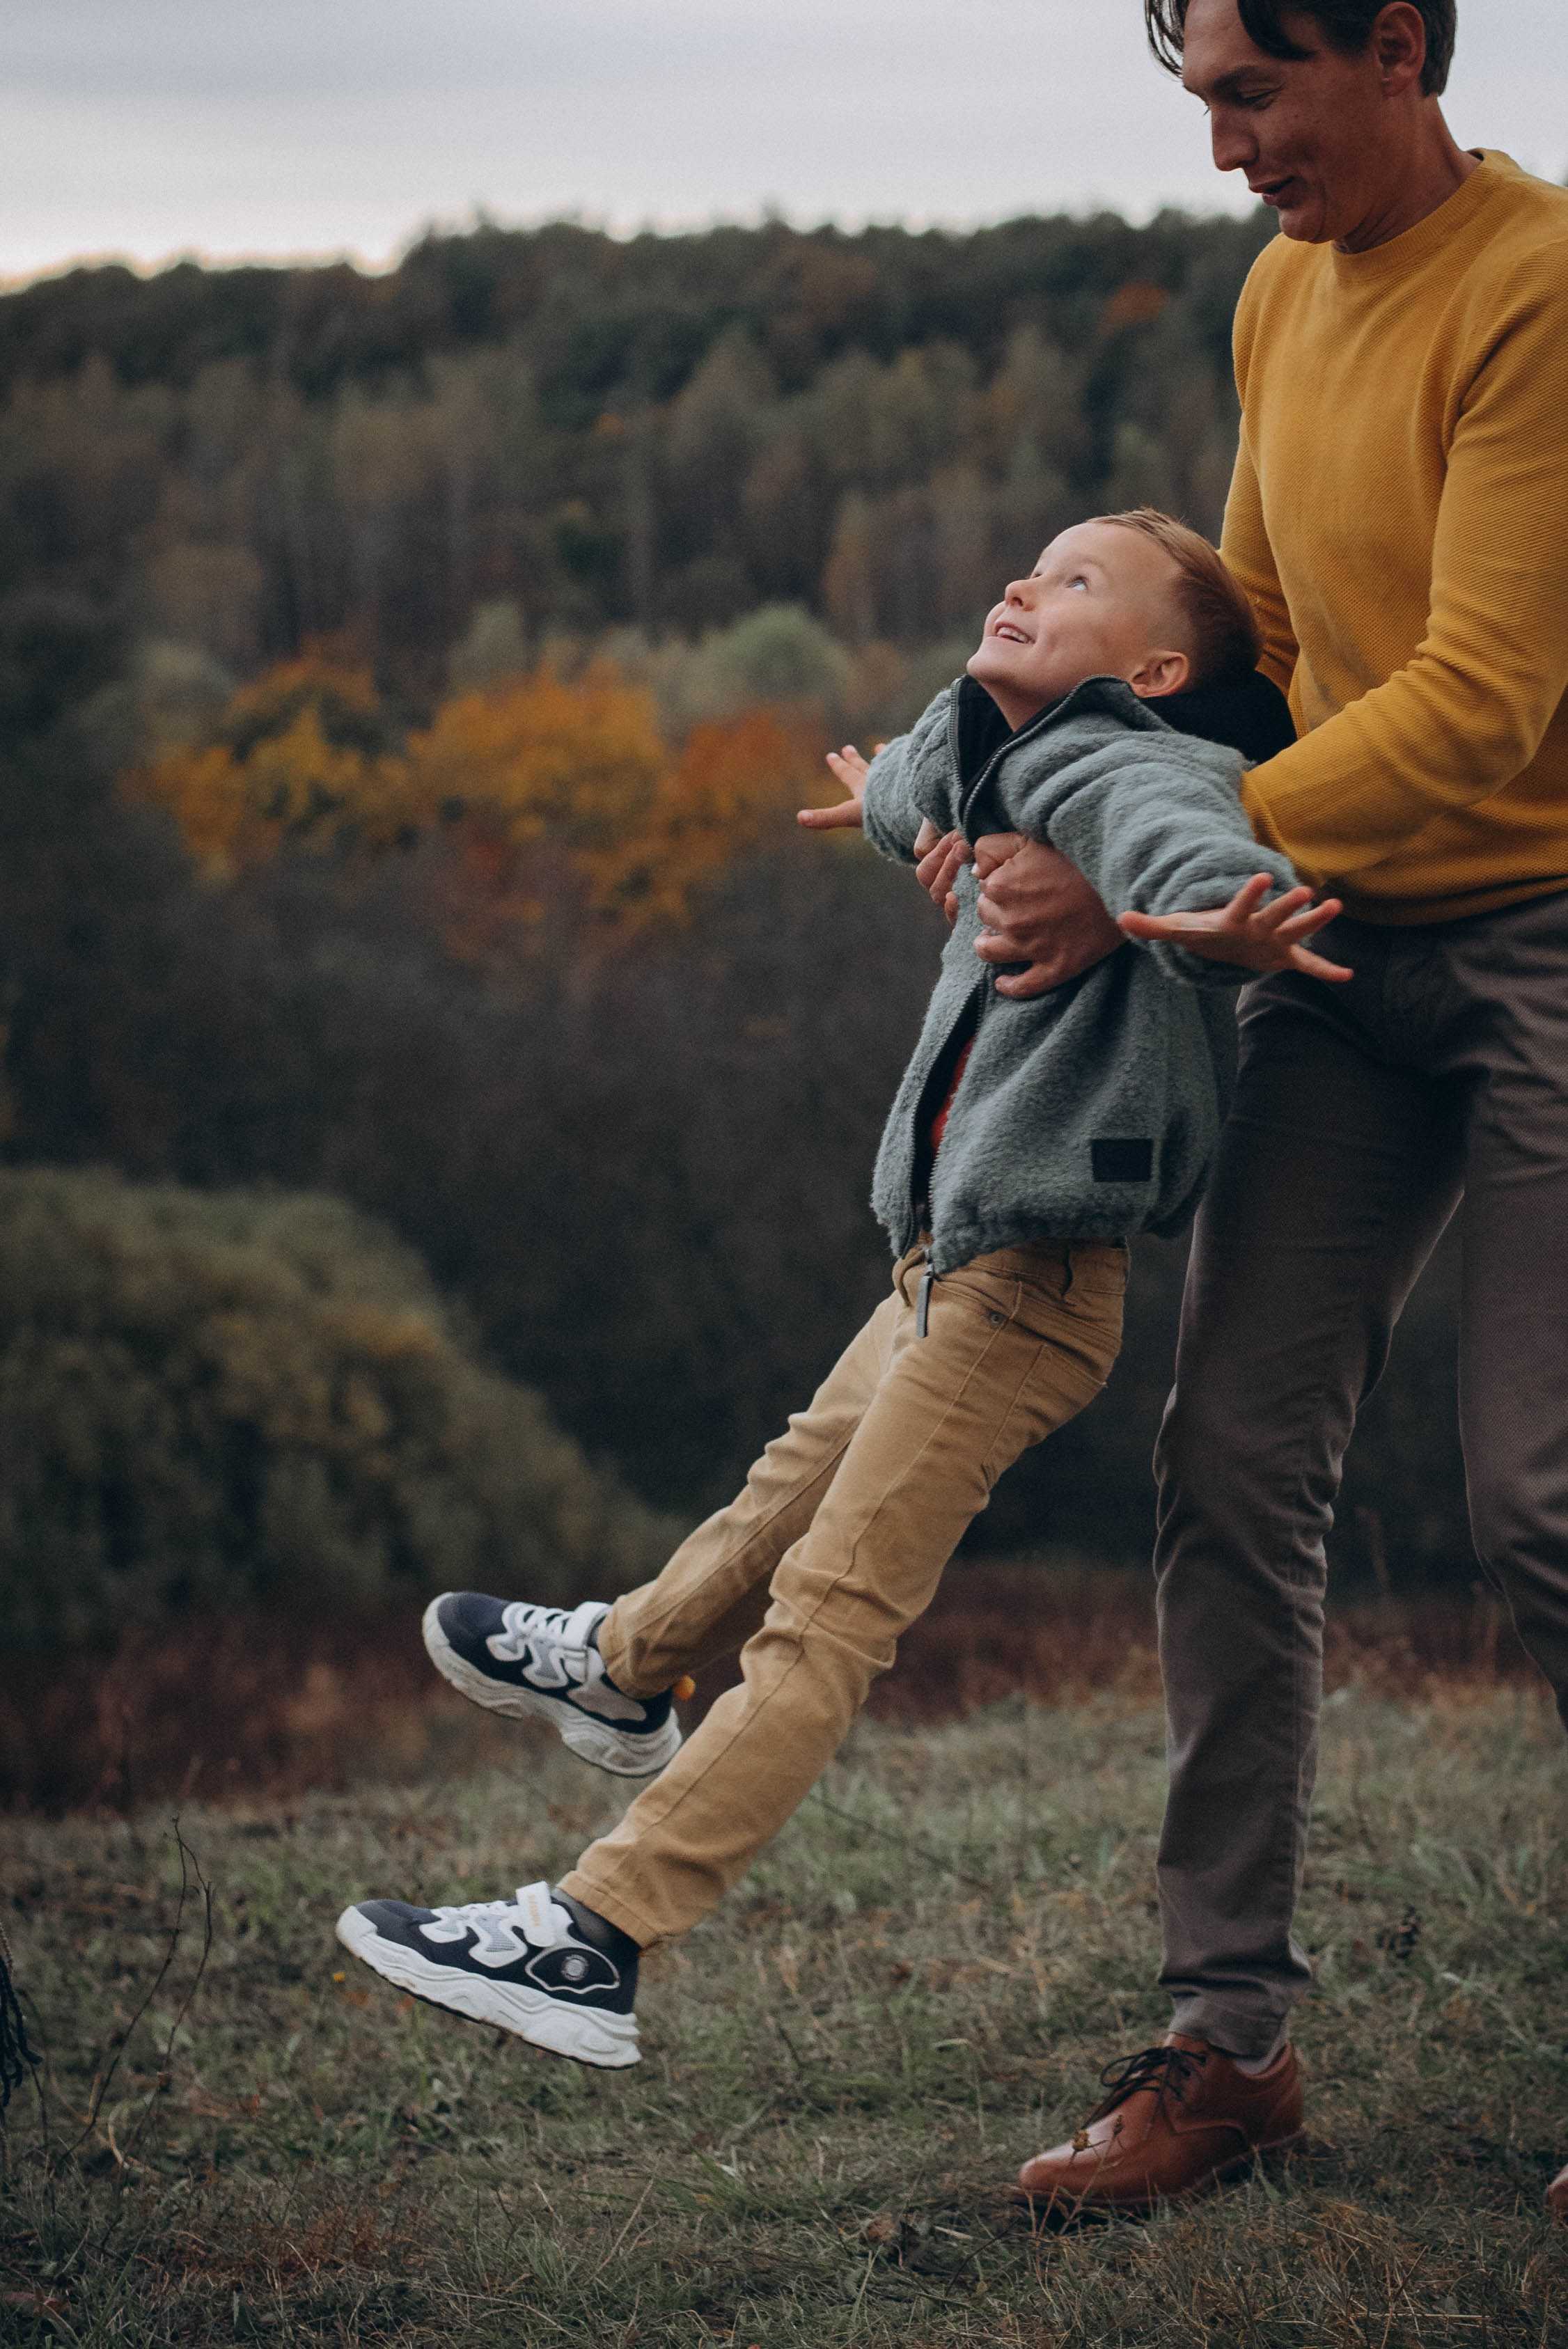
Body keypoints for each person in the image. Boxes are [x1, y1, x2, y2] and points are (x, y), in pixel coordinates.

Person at [334, 510, 1342, 2069]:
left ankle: (595, 1937)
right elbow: (919, 784)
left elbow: (1180, 837)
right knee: (772, 1503)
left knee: (821, 1621)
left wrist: (1217, 915)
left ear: (1149, 667)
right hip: (951, 1265)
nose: (1020, 584)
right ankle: (620, 1670)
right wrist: (881, 800)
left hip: (1030, 1285)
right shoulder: (991, 743)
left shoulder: (1122, 763)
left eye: (1073, 583)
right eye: (1028, 562)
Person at [967, 1, 1568, 2218]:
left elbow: (1484, 698)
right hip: (1324, 953)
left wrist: (1141, 884)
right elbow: (1280, 647)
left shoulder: (1536, 289)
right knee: (1226, 1462)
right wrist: (1029, 785)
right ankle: (1223, 2048)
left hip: (1541, 939)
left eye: (1250, 93)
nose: (1223, 152)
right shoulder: (1276, 286)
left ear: (1399, 41)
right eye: (1198, 100)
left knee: (1541, 1500)